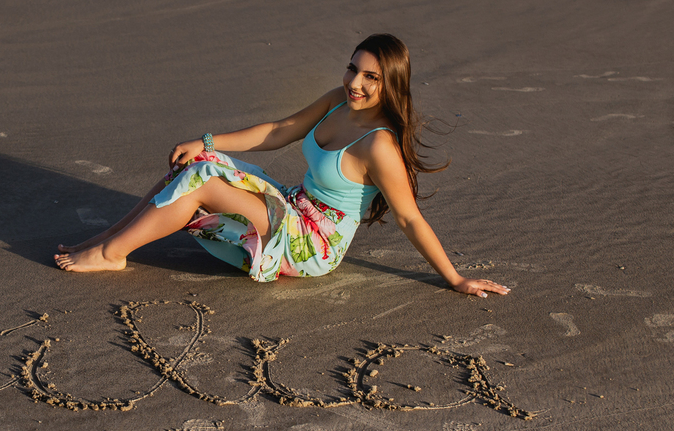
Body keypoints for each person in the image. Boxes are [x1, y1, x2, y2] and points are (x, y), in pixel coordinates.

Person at [54, 34, 510, 299]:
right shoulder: (338, 101)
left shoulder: (380, 146)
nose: (354, 82)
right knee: (200, 161)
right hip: (292, 207)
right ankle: (110, 239)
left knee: (200, 182)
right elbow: (278, 130)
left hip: (313, 243)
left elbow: (409, 218)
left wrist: (455, 278)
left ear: (391, 84)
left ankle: (113, 254)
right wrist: (206, 141)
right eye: (352, 69)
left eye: (370, 77)